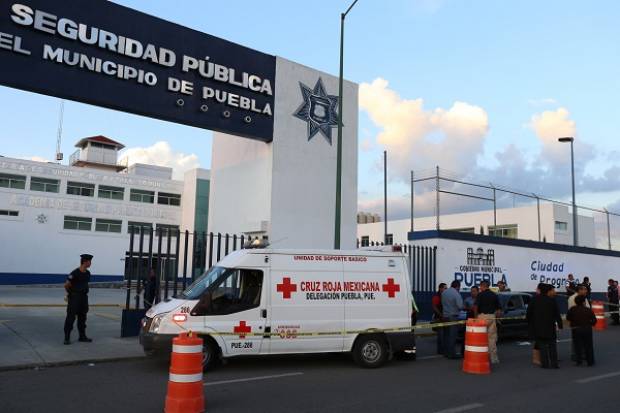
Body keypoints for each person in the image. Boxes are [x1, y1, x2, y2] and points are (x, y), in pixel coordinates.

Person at [527, 283, 563, 368]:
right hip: (550, 326)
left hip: (538, 327)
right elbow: (557, 314)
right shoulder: (552, 300)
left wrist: (530, 323)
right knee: (552, 346)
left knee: (542, 346)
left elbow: (529, 313)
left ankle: (545, 364)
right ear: (548, 291)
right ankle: (554, 364)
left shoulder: (534, 299)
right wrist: (560, 325)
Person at [64, 254, 93, 345]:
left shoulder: (88, 273)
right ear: (84, 262)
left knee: (82, 317)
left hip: (84, 298)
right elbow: (66, 285)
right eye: (89, 261)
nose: (90, 263)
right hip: (75, 298)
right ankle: (67, 338)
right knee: (71, 317)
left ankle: (82, 336)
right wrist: (70, 294)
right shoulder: (74, 273)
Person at [474, 280, 502, 364]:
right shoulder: (494, 295)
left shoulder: (480, 295)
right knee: (492, 339)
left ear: (483, 286)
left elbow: (475, 307)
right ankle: (494, 359)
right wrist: (497, 319)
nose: (480, 288)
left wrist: (475, 318)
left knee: (480, 338)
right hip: (491, 317)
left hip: (482, 317)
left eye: (480, 286)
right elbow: (499, 309)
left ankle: (481, 357)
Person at [566, 295, 597, 366]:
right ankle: (590, 361)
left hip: (576, 329)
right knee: (588, 345)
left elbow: (568, 318)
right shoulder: (588, 310)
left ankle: (579, 361)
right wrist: (590, 323)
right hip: (587, 329)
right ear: (584, 302)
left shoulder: (572, 309)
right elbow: (594, 321)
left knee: (577, 345)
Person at [567, 284, 591, 361]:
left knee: (582, 340)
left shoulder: (584, 298)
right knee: (576, 341)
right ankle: (576, 355)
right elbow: (573, 312)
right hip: (578, 323)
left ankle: (581, 355)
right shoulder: (573, 298)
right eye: (584, 289)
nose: (586, 291)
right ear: (580, 290)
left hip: (582, 323)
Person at [441, 280, 464, 359]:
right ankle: (451, 354)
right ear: (458, 286)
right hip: (453, 317)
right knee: (452, 336)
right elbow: (460, 306)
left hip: (445, 316)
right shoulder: (456, 294)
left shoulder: (444, 292)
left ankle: (446, 353)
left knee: (446, 336)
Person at [432, 283, 447, 354]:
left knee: (444, 336)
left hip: (443, 318)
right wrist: (441, 315)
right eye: (445, 288)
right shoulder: (437, 297)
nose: (446, 289)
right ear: (440, 288)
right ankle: (440, 350)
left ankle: (443, 349)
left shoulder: (443, 296)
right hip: (439, 318)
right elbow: (434, 307)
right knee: (441, 336)